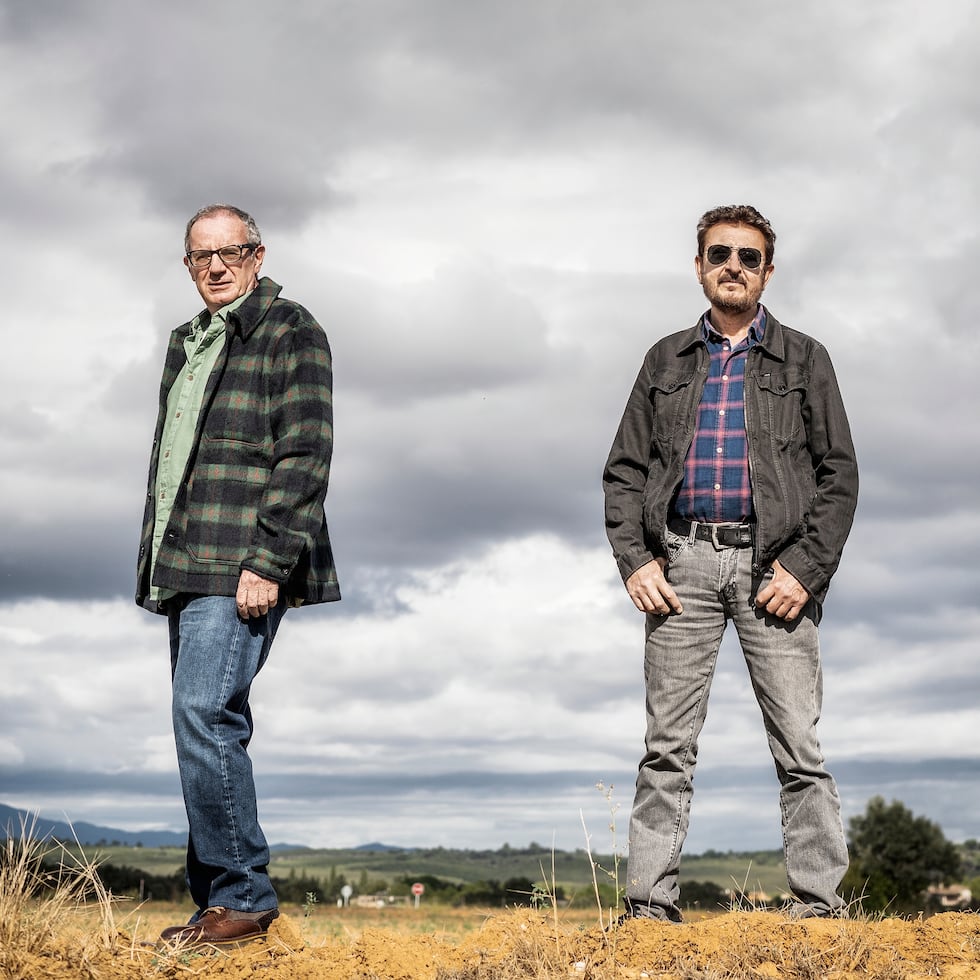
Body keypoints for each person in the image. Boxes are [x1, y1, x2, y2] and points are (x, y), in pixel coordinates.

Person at [603, 204, 858, 922]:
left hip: (775, 572)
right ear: (699, 266)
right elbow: (624, 471)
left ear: (767, 272)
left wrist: (805, 569)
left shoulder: (806, 359)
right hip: (679, 566)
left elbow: (839, 475)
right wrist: (635, 561)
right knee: (666, 749)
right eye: (720, 254)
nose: (734, 267)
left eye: (749, 257)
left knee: (799, 747)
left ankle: (819, 908)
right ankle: (649, 911)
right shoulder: (664, 360)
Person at [136, 204, 340, 945]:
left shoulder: (291, 329)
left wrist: (269, 559)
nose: (216, 266)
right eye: (202, 256)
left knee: (204, 713)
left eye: (231, 252)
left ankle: (243, 898)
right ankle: (218, 903)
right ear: (188, 264)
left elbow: (306, 450)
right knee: (200, 720)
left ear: (258, 255)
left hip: (244, 557)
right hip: (186, 559)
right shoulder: (187, 341)